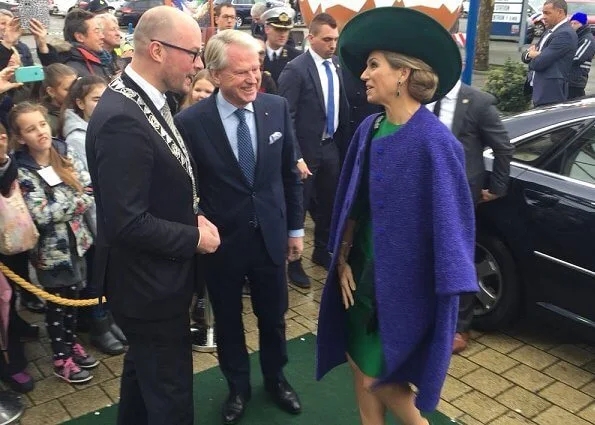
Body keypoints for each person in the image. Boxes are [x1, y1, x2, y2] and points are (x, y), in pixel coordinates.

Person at [316, 7, 478, 425]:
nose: (364, 74)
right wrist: (343, 259)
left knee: (385, 381)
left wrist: (445, 300)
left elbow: (454, 233)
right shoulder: (369, 128)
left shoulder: (436, 144)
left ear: (403, 74)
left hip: (403, 294)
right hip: (359, 282)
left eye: (374, 65)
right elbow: (351, 202)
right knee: (358, 366)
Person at [86, 6, 220, 425]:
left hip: (155, 280)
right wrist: (194, 238)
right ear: (158, 50)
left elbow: (162, 181)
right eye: (193, 53)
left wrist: (192, 212)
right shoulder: (120, 119)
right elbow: (127, 222)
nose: (199, 65)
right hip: (148, 287)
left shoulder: (146, 98)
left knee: (143, 380)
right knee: (170, 393)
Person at [175, 29, 304, 425]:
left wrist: (296, 230)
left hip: (270, 235)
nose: (253, 79)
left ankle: (276, 378)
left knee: (274, 315)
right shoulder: (190, 122)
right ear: (214, 74)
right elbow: (185, 188)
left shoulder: (276, 107)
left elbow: (289, 174)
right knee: (228, 320)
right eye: (240, 72)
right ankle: (237, 386)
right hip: (222, 244)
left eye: (257, 68)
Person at [9, 102, 98, 384]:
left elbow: (89, 189)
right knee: (57, 305)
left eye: (43, 124)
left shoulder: (63, 150)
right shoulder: (22, 170)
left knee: (73, 298)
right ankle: (61, 358)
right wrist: (75, 200)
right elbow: (39, 213)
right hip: (50, 253)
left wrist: (72, 200)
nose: (40, 132)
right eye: (31, 129)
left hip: (78, 243)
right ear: (21, 137)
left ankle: (71, 343)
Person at [427, 82, 514, 353]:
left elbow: (503, 147)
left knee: (459, 257)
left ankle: (460, 326)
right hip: (425, 186)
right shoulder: (422, 95)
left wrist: (497, 189)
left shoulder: (478, 102)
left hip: (460, 193)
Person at [278, 13, 349, 287]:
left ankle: (321, 250)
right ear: (311, 38)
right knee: (300, 204)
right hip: (304, 153)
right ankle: (294, 263)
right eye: (327, 39)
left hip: (330, 147)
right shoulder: (296, 70)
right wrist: (295, 155)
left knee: (329, 203)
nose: (333, 44)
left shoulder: (336, 67)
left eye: (336, 39)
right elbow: (287, 116)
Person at [522, 0, 577, 106]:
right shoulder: (549, 31)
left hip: (550, 94)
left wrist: (535, 56)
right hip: (539, 90)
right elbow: (525, 56)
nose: (543, 17)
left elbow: (538, 63)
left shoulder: (565, 34)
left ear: (560, 12)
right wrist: (531, 54)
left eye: (547, 13)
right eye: (543, 13)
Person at [262, 6, 300, 84]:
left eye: (286, 30)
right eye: (278, 29)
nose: (283, 34)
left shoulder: (296, 57)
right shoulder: (255, 54)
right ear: (267, 29)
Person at [40, 64, 78, 137]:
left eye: (76, 86)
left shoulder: (82, 107)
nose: (74, 92)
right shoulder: (46, 121)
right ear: (51, 91)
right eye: (68, 89)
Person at [568, 12, 595, 99]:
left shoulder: (587, 39)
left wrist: (561, 58)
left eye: (575, 23)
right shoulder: (575, 37)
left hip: (576, 80)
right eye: (571, 23)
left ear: (583, 24)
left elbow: (577, 58)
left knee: (574, 104)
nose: (572, 25)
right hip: (569, 79)